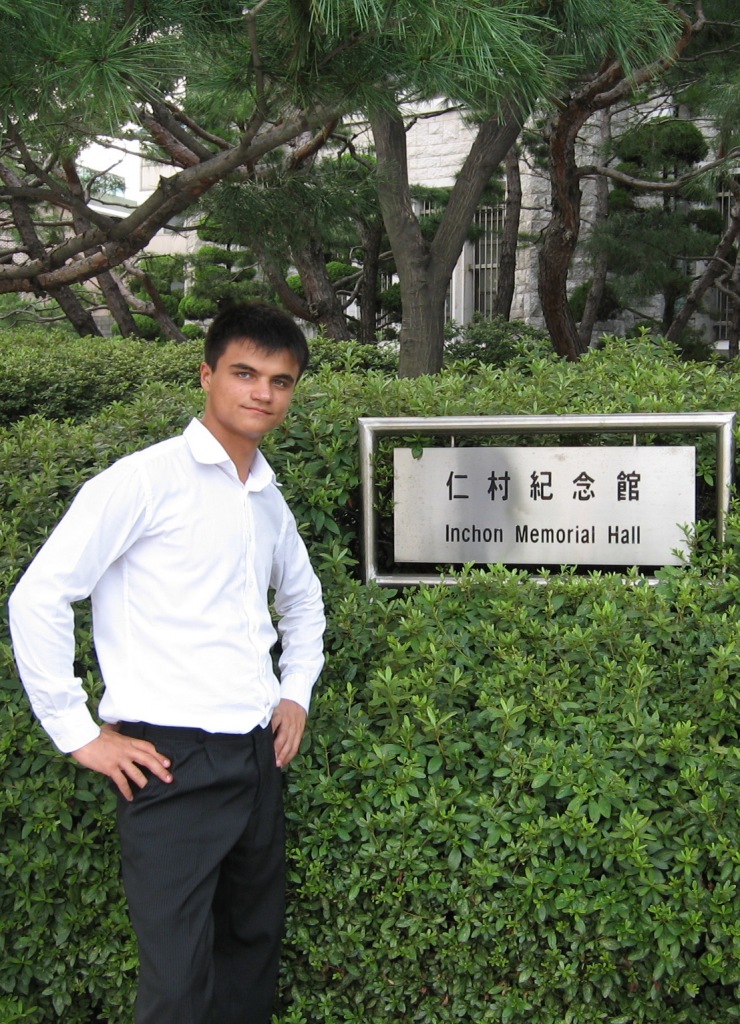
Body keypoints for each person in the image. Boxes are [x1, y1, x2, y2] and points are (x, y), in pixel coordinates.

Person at [8, 302, 326, 1024]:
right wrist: (78, 733)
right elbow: (39, 596)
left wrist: (296, 691)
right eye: (244, 373)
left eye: (280, 381)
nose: (262, 393)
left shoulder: (266, 498)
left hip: (255, 758)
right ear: (207, 375)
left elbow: (304, 604)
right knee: (178, 985)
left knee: (249, 959)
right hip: (169, 765)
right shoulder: (143, 481)